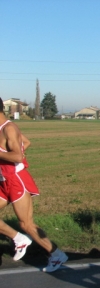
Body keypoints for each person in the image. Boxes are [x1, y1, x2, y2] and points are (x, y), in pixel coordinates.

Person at [0, 97, 68, 272]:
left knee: (26, 224)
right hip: (3, 180)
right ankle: (18, 239)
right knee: (23, 227)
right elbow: (26, 142)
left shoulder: (9, 128)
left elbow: (17, 156)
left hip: (16, 180)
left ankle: (56, 254)